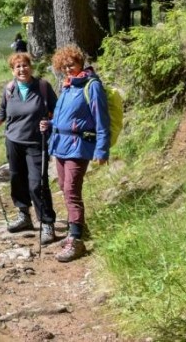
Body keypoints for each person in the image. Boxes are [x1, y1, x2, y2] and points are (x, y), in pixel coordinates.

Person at [0, 52, 58, 244]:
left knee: (38, 183)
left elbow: (57, 112)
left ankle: (47, 223)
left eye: (25, 65)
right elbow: (2, 115)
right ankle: (24, 216)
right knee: (16, 180)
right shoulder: (9, 89)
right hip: (13, 142)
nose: (22, 69)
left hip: (37, 143)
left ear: (31, 67)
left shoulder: (43, 87)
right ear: (12, 70)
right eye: (17, 67)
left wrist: (51, 123)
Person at [40, 44, 110, 263]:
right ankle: (76, 229)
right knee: (63, 187)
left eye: (72, 64)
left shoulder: (92, 86)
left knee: (71, 190)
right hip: (60, 144)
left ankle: (77, 241)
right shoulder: (68, 86)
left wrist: (102, 149)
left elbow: (102, 120)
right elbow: (65, 117)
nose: (69, 69)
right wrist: (49, 123)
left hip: (79, 146)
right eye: (64, 66)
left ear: (81, 62)